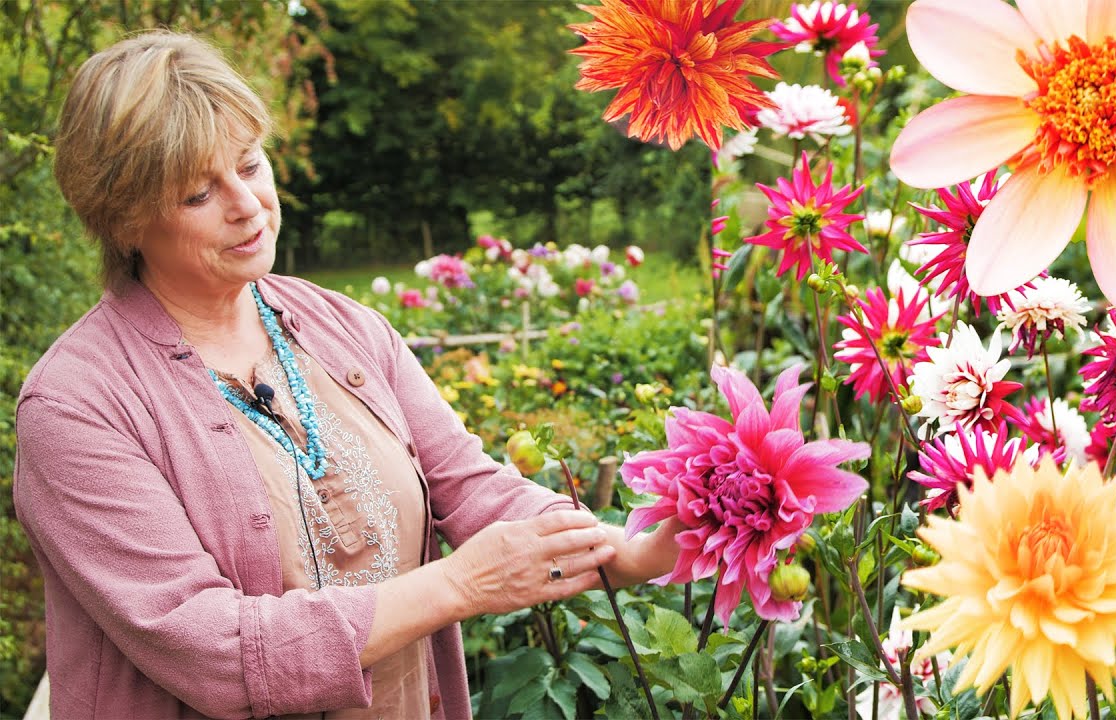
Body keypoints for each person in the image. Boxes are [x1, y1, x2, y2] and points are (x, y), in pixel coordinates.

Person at [13, 30, 680, 719]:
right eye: (195, 195)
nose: (245, 204)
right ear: (124, 219)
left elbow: (468, 484)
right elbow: (212, 651)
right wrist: (458, 586)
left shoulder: (345, 327)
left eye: (249, 164)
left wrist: (620, 552)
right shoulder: (75, 407)